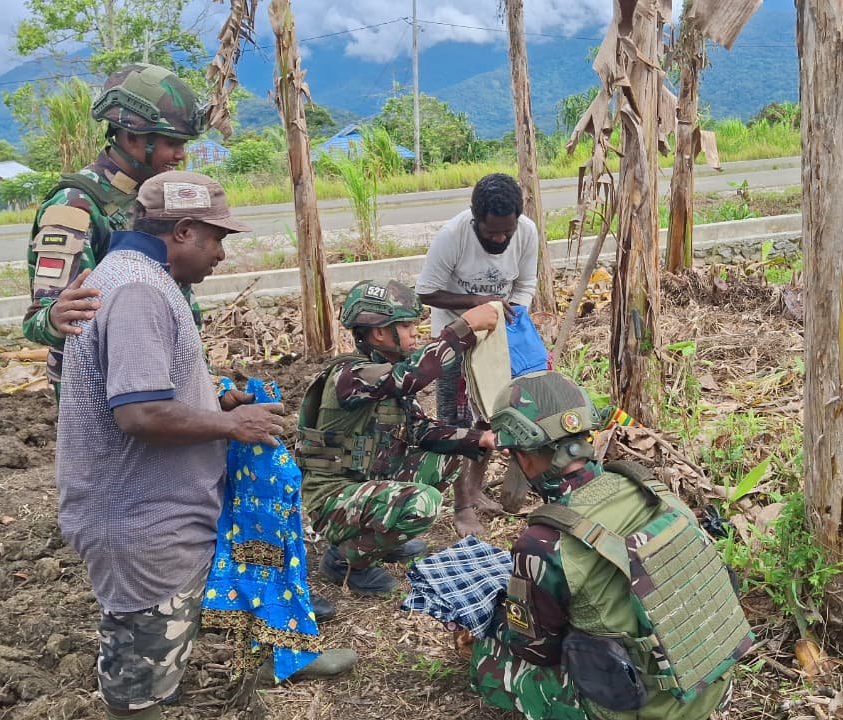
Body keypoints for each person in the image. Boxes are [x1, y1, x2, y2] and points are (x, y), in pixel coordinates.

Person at [55, 171, 324, 720]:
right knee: (142, 674)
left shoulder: (142, 279)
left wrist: (216, 401)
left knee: (196, 602)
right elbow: (140, 412)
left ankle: (282, 648)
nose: (221, 255)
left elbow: (153, 386)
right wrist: (233, 426)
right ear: (182, 231)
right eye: (217, 239)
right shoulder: (138, 292)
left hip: (163, 508)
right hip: (142, 520)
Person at [469, 371, 751, 720]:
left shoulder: (545, 542)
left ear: (523, 457)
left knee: (488, 657)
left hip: (641, 710)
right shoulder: (650, 488)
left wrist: (496, 616)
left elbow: (536, 650)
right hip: (710, 687)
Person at [296, 279, 501, 595]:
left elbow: (421, 430)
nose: (415, 333)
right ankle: (345, 560)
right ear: (379, 333)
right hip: (333, 497)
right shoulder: (352, 375)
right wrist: (464, 328)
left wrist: (479, 439)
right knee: (423, 503)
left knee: (447, 459)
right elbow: (410, 378)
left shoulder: (387, 374)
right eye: (406, 326)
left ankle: (379, 541)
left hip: (366, 484)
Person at [23, 63, 207, 396]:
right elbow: (40, 321)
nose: (180, 155)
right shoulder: (74, 207)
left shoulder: (154, 196)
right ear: (131, 135)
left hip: (159, 375)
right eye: (171, 143)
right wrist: (55, 318)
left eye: (184, 144)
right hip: (103, 388)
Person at [415, 172, 540, 536]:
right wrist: (476, 305)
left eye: (507, 231)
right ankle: (462, 509)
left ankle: (474, 490)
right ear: (476, 221)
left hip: (496, 336)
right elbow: (426, 291)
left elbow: (525, 282)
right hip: (454, 337)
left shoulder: (527, 232)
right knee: (455, 421)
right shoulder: (453, 237)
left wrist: (511, 314)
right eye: (491, 233)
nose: (500, 239)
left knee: (490, 414)